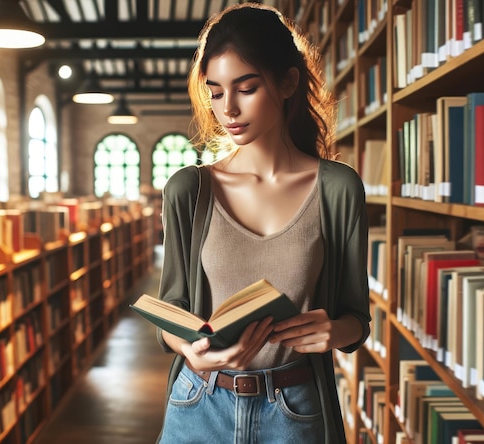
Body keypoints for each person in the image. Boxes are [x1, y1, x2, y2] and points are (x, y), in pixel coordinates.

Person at [155, 3, 371, 443]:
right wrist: (191, 351)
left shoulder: (337, 188)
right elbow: (169, 315)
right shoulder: (188, 190)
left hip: (293, 411)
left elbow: (357, 318)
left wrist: (333, 330)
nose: (227, 109)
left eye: (246, 88)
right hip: (199, 404)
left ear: (288, 81)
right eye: (215, 92)